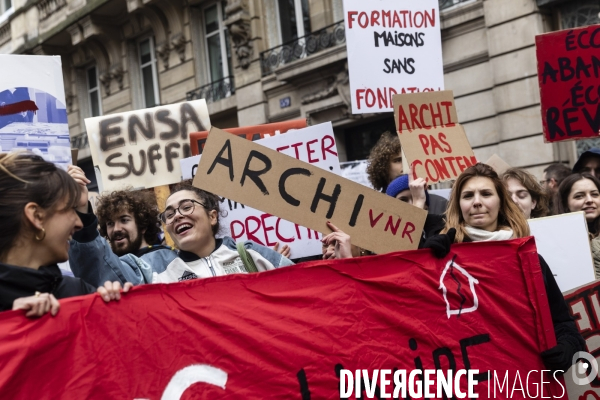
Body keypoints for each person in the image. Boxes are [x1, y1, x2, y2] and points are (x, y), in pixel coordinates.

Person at [423, 163, 585, 372]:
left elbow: (563, 324)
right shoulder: (441, 258)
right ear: (459, 205)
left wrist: (567, 347)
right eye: (468, 195)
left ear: (501, 202)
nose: (477, 202)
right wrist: (426, 263)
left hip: (521, 381)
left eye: (486, 193)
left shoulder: (530, 261)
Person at [70, 180, 294, 285]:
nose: (176, 215)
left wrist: (329, 262)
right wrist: (83, 215)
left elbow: (307, 290)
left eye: (186, 207)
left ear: (212, 216)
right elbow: (100, 269)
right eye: (168, 214)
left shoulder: (252, 254)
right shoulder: (150, 268)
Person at [0, 153, 130, 317]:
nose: (79, 223)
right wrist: (10, 323)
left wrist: (116, 310)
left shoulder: (78, 291)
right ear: (36, 216)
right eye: (69, 208)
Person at [554, 173, 600, 277]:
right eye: (579, 196)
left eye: (595, 194)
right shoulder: (556, 241)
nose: (589, 200)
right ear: (565, 203)